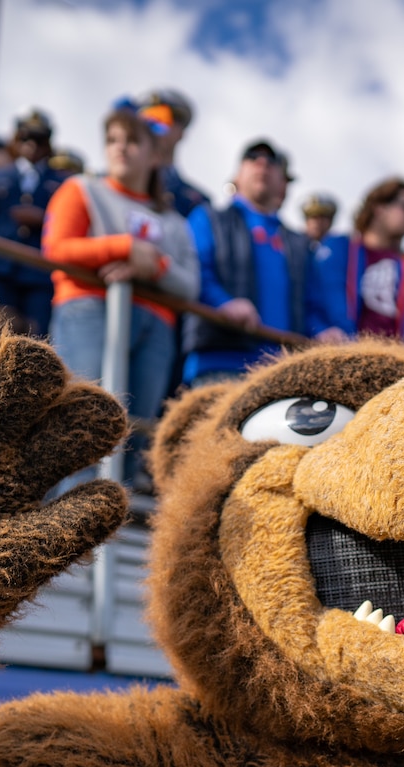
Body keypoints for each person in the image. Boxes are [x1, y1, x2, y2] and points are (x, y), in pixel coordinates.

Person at [42, 106, 199, 481]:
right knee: (81, 422)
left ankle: (114, 521)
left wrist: (153, 266)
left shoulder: (174, 221)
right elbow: (57, 248)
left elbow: (190, 284)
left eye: (131, 141)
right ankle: (67, 530)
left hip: (156, 326)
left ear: (154, 154)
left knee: (135, 430)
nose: (120, 149)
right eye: (112, 140)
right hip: (87, 310)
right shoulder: (81, 189)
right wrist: (126, 247)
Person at [182, 139, 333, 387]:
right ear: (237, 176)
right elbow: (195, 273)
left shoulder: (298, 243)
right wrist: (224, 303)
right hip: (219, 364)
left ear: (282, 181)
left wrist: (324, 331)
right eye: (252, 158)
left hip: (284, 375)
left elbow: (311, 305)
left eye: (272, 162)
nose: (262, 164)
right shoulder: (208, 218)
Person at [0, 109, 68, 334]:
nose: (32, 145)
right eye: (25, 138)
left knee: (35, 338)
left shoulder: (61, 184)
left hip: (39, 275)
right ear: (16, 140)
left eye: (39, 139)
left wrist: (45, 219)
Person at [311, 176, 404, 344]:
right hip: (342, 358)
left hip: (398, 364)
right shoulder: (337, 248)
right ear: (380, 207)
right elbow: (310, 302)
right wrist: (320, 329)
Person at [137, 88, 208, 218]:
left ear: (181, 132)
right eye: (147, 120)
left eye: (163, 119)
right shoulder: (106, 184)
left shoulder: (197, 203)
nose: (153, 129)